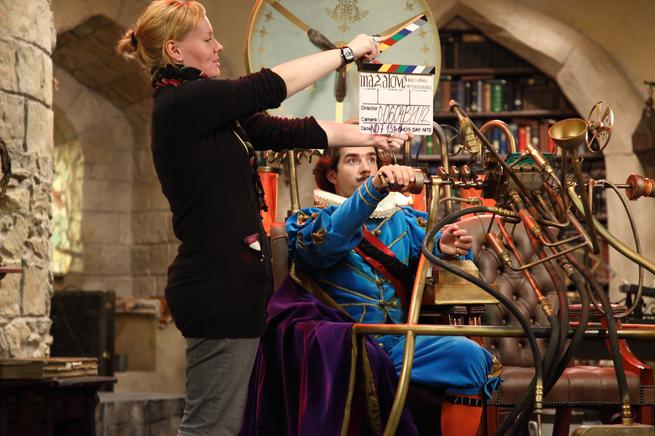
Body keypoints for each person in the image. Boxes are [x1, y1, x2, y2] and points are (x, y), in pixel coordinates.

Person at [116, 1, 407, 435]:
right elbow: (268, 87)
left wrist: (368, 134)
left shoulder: (208, 114)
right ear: (175, 51)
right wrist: (345, 53)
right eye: (207, 39)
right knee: (210, 428)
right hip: (217, 289)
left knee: (224, 426)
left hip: (232, 289)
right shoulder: (184, 101)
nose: (218, 47)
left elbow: (283, 130)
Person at [282, 146, 501, 436]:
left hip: (399, 342)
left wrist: (444, 247)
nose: (366, 168)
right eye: (352, 160)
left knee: (472, 358)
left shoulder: (402, 219)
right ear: (332, 175)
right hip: (347, 345)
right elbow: (326, 244)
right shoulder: (310, 220)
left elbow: (445, 251)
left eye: (371, 159)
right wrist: (373, 189)